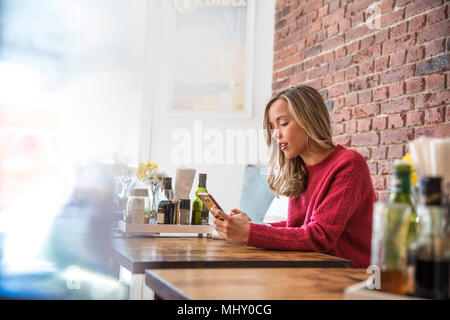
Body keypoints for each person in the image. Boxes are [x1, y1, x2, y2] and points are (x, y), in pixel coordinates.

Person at [212, 85, 376, 268]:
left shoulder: (349, 164)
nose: (276, 134)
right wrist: (251, 227)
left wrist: (251, 232)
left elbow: (319, 236)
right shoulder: (300, 169)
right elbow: (298, 227)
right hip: (312, 270)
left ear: (309, 120)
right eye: (273, 127)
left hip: (348, 277)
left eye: (283, 124)